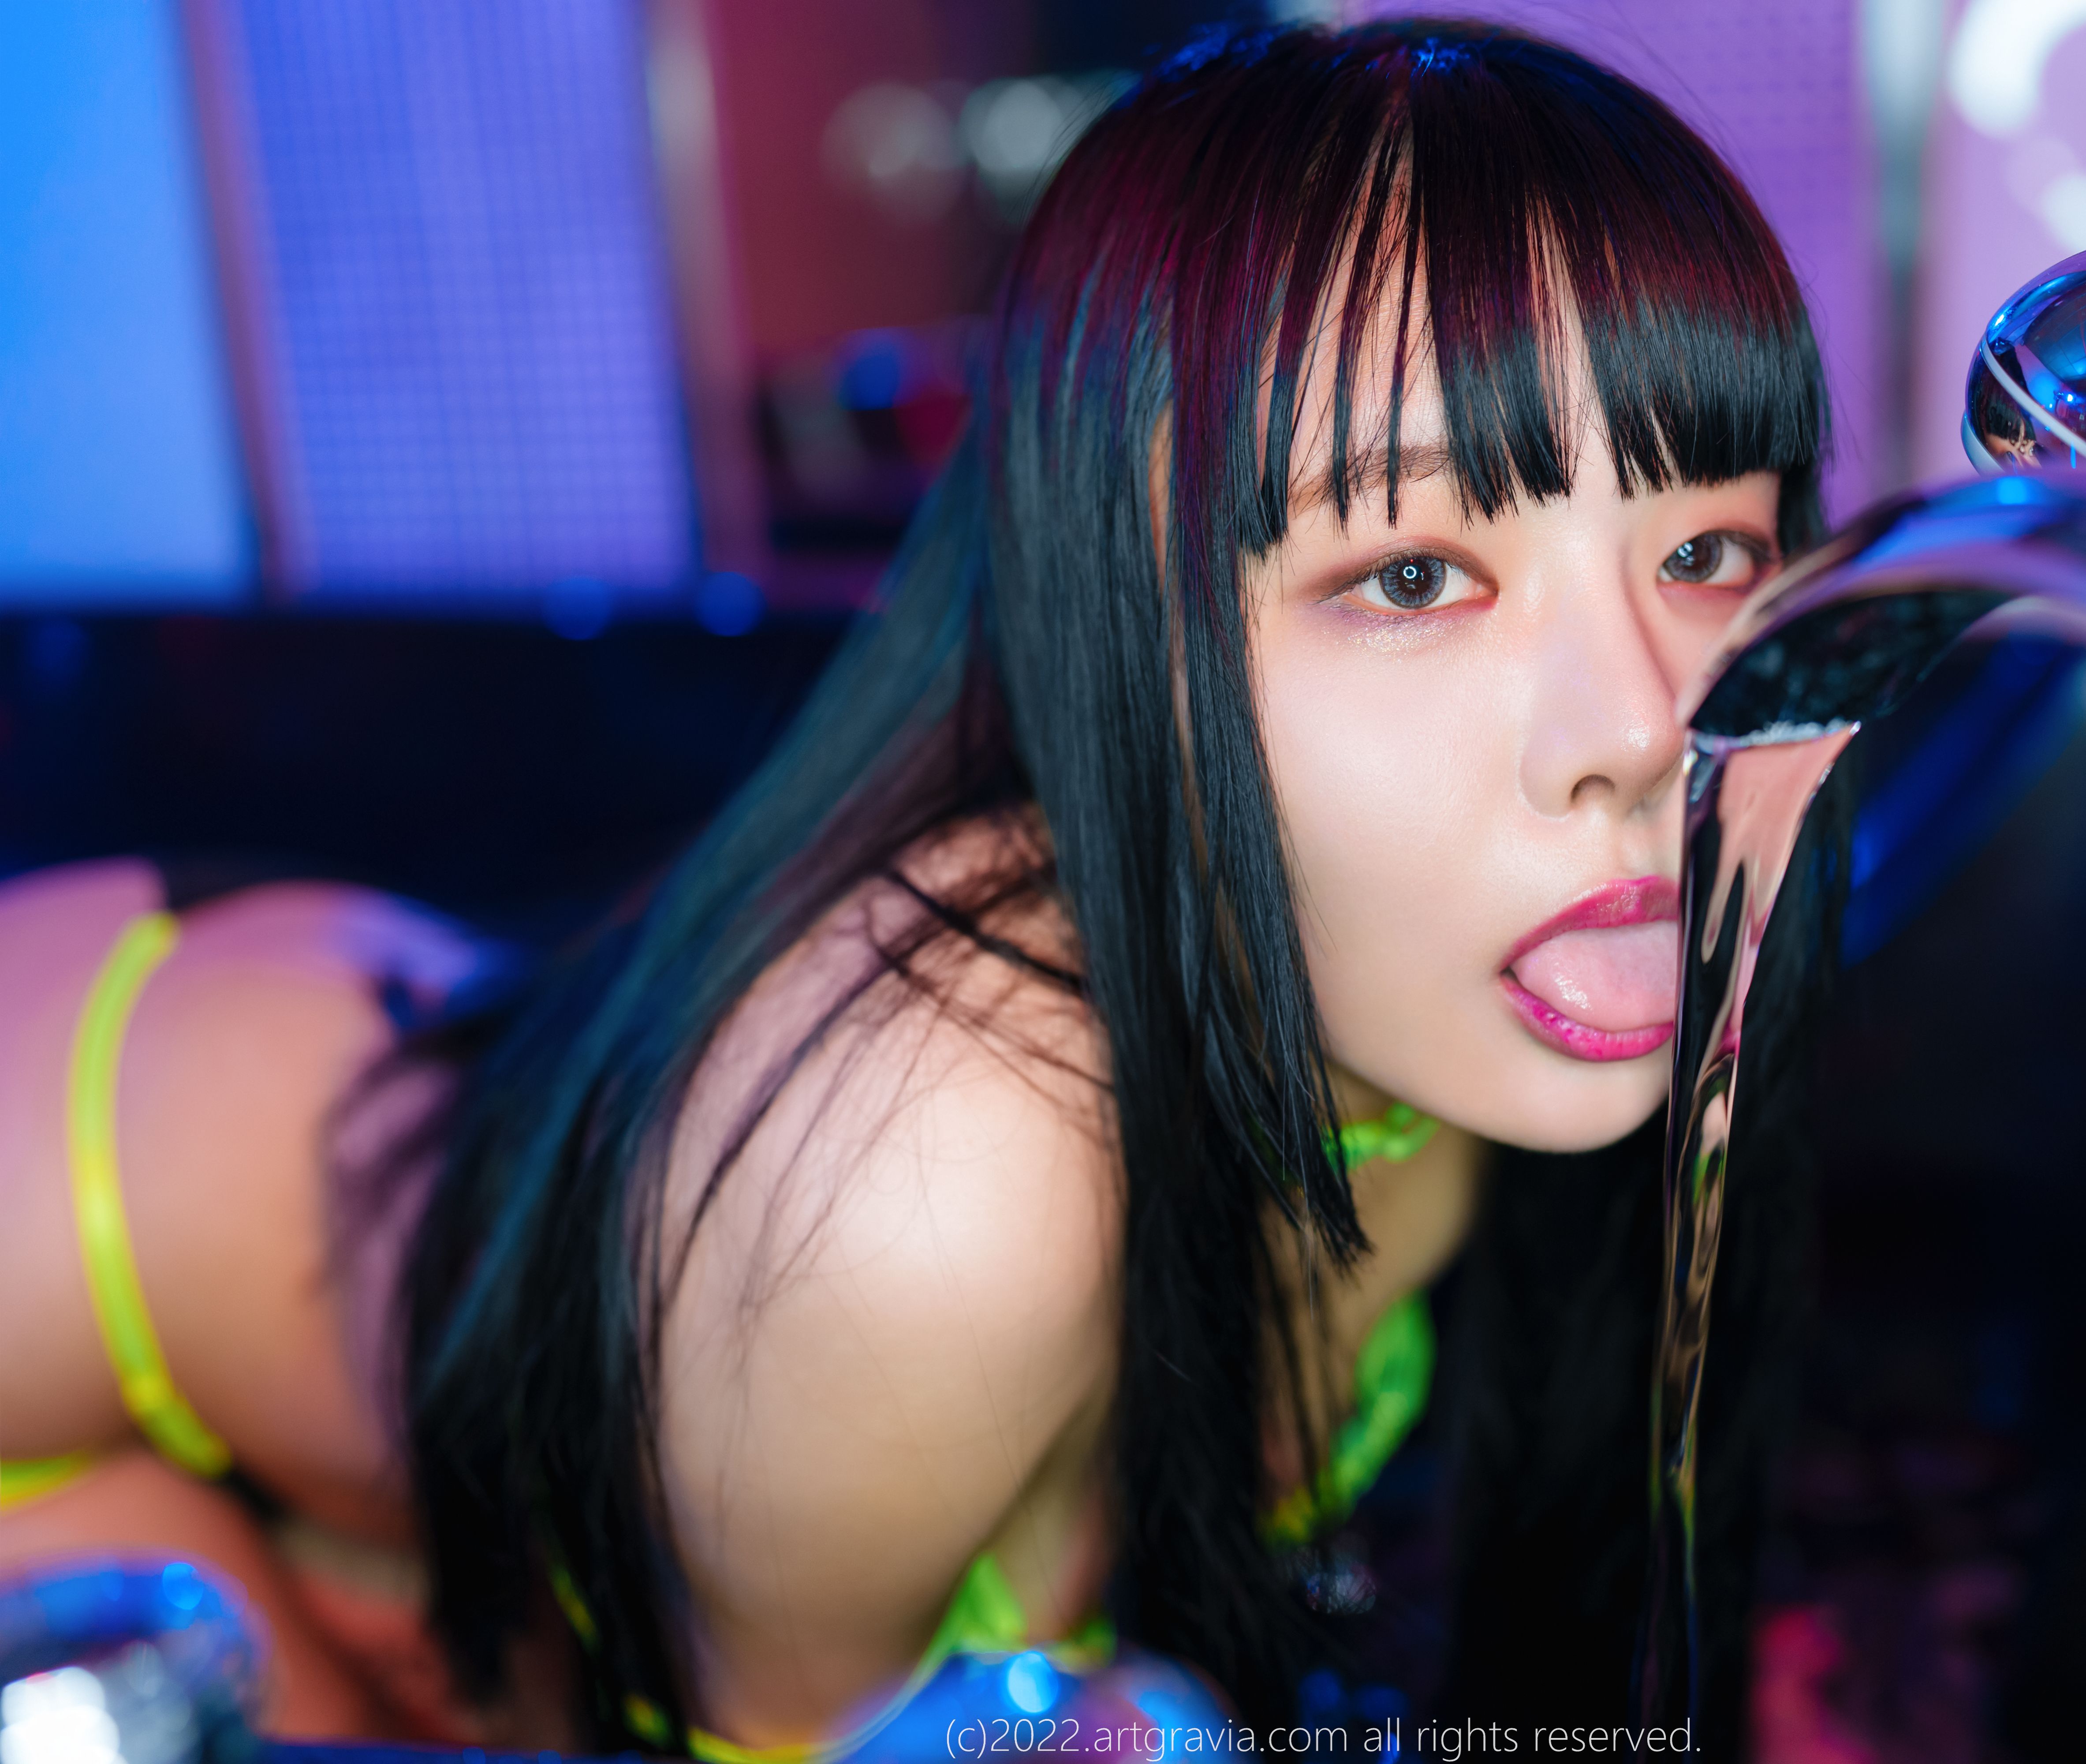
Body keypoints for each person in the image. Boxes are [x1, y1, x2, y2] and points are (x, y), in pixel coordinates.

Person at [0, 18, 1851, 1754]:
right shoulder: (929, 1183)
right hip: (72, 1230)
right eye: (1416, 577)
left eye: (1705, 550)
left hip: (409, 1222)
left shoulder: (1432, 968)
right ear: (1132, 631)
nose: (1647, 725)